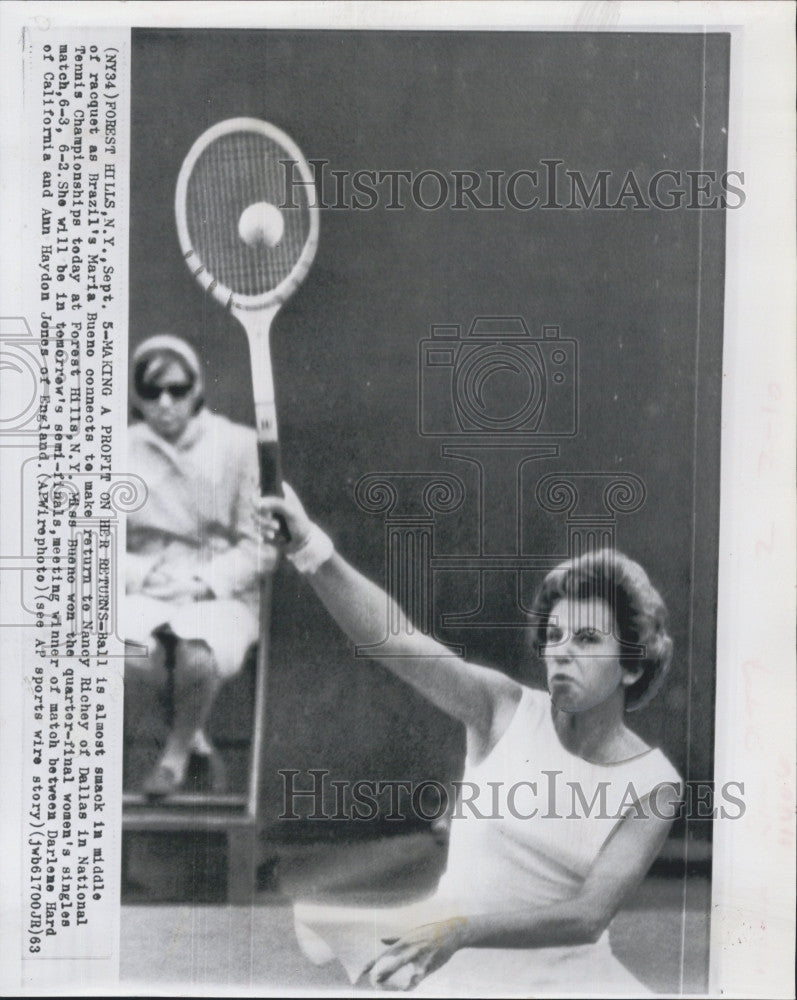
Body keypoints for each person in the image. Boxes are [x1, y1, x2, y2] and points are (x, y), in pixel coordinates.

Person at [256, 485, 683, 994]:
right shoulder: (500, 707)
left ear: (633, 664)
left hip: (569, 980)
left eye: (587, 639)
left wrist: (459, 932)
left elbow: (588, 916)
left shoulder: (655, 783)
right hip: (453, 972)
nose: (561, 652)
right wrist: (309, 547)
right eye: (553, 635)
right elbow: (395, 643)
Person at [124, 334, 271, 798]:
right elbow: (88, 543)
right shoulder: (114, 450)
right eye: (151, 392)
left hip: (217, 587)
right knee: (122, 653)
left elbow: (261, 547)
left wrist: (203, 581)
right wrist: (143, 574)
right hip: (144, 584)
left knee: (198, 655)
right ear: (137, 397)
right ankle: (193, 736)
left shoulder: (239, 445)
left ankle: (174, 757)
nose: (164, 403)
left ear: (196, 390)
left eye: (177, 389)